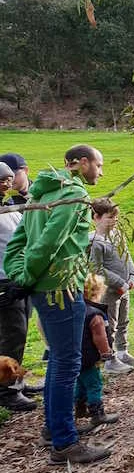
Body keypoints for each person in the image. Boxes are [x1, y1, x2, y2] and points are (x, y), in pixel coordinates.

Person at [4, 144, 110, 464]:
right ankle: (64, 443)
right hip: (60, 290)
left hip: (45, 289)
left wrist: (22, 273)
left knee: (59, 363)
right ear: (81, 163)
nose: (101, 172)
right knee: (67, 364)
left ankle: (53, 428)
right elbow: (50, 242)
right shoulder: (73, 195)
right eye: (98, 165)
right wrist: (25, 277)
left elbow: (18, 240)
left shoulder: (41, 193)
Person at [88, 198, 134, 374]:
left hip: (124, 290)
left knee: (123, 321)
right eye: (110, 217)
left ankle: (123, 351)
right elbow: (96, 268)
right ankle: (110, 359)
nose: (114, 221)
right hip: (108, 293)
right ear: (96, 217)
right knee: (109, 324)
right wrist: (119, 282)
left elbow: (127, 257)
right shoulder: (95, 242)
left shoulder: (118, 235)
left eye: (116, 218)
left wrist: (133, 276)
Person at [0, 161, 34, 412]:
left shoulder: (11, 207)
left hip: (19, 279)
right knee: (12, 334)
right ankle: (6, 391)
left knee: (20, 333)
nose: (6, 183)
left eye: (9, 178)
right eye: (1, 179)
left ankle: (17, 381)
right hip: (2, 281)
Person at [76, 274, 120, 430]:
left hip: (75, 357)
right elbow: (99, 337)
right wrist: (106, 352)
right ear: (97, 292)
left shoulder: (75, 310)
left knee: (80, 383)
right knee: (94, 384)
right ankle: (97, 414)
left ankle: (79, 408)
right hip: (89, 358)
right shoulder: (95, 314)